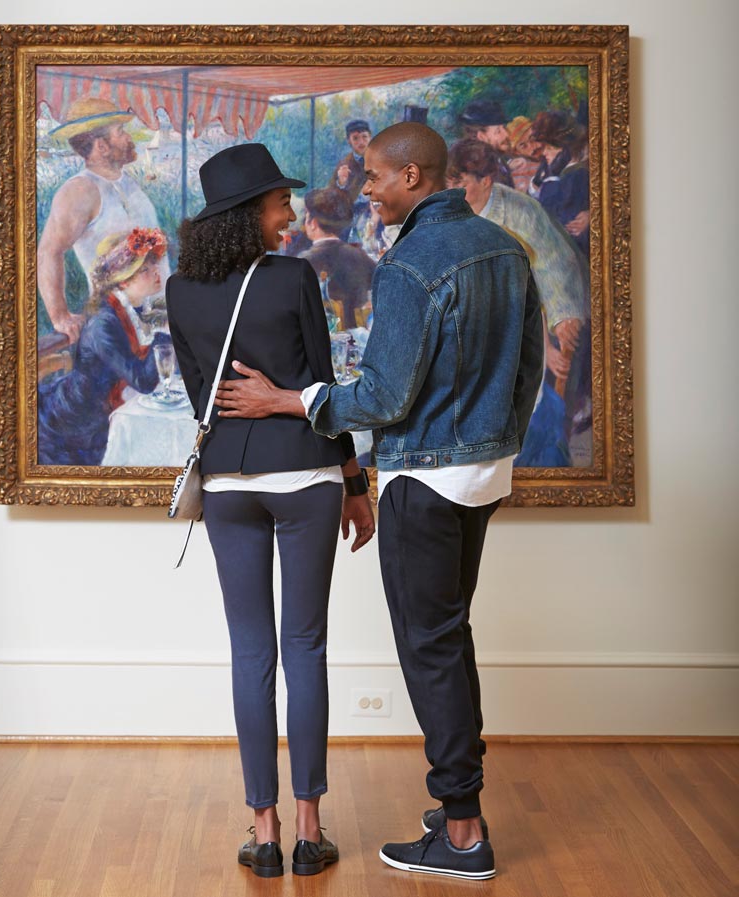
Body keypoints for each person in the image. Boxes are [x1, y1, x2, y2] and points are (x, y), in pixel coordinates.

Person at [214, 123, 544, 881]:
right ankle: (460, 808)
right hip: (483, 477)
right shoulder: (503, 248)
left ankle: (463, 833)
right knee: (449, 639)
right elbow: (527, 369)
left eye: (374, 177)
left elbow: (385, 397)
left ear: (413, 177)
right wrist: (497, 443)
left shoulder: (408, 263)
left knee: (431, 650)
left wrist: (290, 399)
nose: (365, 189)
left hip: (424, 482)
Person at [165, 144, 376, 879]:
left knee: (251, 652)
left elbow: (200, 395)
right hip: (306, 474)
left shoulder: (180, 290)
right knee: (305, 646)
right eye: (280, 201)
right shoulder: (292, 278)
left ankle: (263, 832)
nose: (289, 213)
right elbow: (322, 384)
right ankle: (310, 831)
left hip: (228, 482)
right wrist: (354, 480)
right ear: (249, 211)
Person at [446, 139, 591, 466]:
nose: (451, 192)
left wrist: (563, 315)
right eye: (449, 183)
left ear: (486, 181)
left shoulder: (520, 212)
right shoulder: (449, 211)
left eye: (460, 184)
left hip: (526, 320)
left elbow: (555, 263)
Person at [37, 97, 170, 343]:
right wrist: (60, 316)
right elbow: (48, 251)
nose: (128, 138)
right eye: (120, 132)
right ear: (101, 146)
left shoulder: (127, 182)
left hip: (160, 320)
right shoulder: (80, 190)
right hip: (119, 327)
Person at [37, 227, 169, 465]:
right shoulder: (103, 323)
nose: (156, 272)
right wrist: (164, 332)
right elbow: (143, 381)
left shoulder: (134, 310)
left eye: (154, 265)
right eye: (145, 270)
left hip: (102, 414)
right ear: (124, 280)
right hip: (71, 427)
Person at [299, 188, 376, 328]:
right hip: (358, 334)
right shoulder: (360, 256)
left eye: (306, 215)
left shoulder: (304, 262)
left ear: (313, 223)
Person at [530, 110, 591, 258]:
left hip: (574, 253)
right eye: (544, 147)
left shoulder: (576, 176)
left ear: (566, 149)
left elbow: (551, 216)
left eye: (550, 148)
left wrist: (550, 179)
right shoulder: (553, 169)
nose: (544, 153)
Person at [458, 100, 514, 187]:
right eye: (498, 131)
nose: (506, 134)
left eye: (504, 128)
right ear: (481, 136)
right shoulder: (479, 171)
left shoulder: (497, 160)